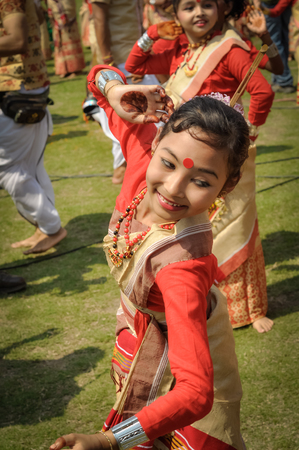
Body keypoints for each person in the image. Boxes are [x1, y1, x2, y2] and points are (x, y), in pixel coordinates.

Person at [49, 65, 250, 450]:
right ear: (156, 139)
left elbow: (194, 394)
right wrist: (115, 92)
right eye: (169, 163)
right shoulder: (143, 161)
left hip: (179, 387)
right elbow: (98, 74)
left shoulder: (181, 268)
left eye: (202, 181)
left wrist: (111, 441)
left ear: (230, 183)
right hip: (142, 340)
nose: (173, 188)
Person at [125, 0, 277, 334]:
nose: (198, 13)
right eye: (188, 6)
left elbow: (263, 91)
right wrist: (151, 34)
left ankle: (249, 309)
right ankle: (193, 301)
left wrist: (247, 138)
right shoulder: (184, 50)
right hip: (183, 158)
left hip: (220, 160)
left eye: (207, 4)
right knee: (190, 229)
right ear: (176, 14)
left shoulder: (227, 50)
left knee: (233, 223)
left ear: (222, 9)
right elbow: (133, 66)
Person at [0, 0, 67, 254]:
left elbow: (17, 40)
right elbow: (37, 16)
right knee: (30, 166)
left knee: (9, 170)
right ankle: (46, 227)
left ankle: (51, 227)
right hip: (26, 88)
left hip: (16, 91)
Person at [88, 0, 159, 184]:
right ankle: (124, 170)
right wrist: (109, 62)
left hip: (134, 56)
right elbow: (99, 19)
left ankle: (125, 170)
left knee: (141, 117)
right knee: (135, 116)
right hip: (119, 61)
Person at [261, 0, 299, 103]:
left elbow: (275, 12)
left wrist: (263, 8)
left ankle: (283, 80)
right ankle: (280, 79)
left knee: (273, 41)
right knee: (281, 40)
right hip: (282, 5)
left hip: (273, 5)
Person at [47, 0, 85, 78]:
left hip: (67, 10)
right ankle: (64, 69)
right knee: (60, 38)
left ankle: (75, 69)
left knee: (69, 36)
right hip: (55, 7)